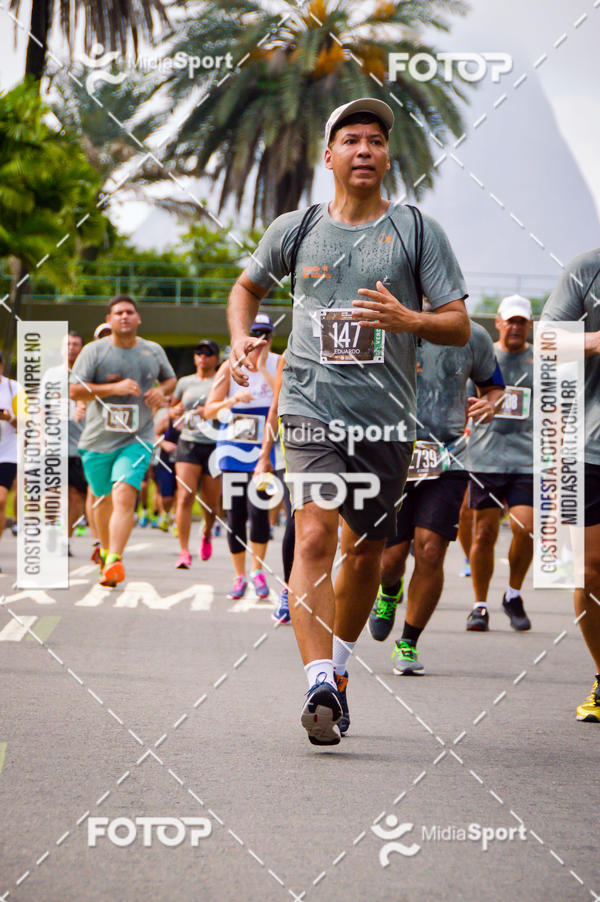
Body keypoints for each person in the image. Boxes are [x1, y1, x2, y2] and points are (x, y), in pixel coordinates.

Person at [227, 97, 470, 745]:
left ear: (387, 159)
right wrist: (239, 339)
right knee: (312, 539)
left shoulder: (418, 232)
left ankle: (338, 672)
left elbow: (458, 324)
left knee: (364, 553)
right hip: (309, 409)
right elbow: (246, 286)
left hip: (386, 423)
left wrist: (410, 321)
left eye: (377, 142)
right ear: (329, 157)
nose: (365, 149)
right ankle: (315, 680)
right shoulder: (297, 229)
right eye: (352, 140)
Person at [368, 320, 504, 674]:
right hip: (393, 453)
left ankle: (409, 642)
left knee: (430, 548)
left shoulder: (473, 336)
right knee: (390, 559)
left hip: (449, 456)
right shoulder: (388, 328)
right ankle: (388, 592)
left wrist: (489, 404)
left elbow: (494, 388)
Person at [70, 295, 176, 586]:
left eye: (130, 312)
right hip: (96, 441)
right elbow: (74, 390)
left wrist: (160, 392)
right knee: (102, 499)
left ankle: (115, 560)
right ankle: (104, 551)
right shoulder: (94, 352)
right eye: (118, 313)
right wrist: (113, 387)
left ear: (138, 318)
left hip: (136, 438)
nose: (125, 316)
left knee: (124, 492)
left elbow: (170, 380)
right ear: (109, 319)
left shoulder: (152, 351)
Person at [541, 248, 600, 721]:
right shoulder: (587, 269)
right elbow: (547, 340)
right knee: (590, 571)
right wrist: (596, 340)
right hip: (591, 446)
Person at [465, 295, 534, 633]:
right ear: (499, 322)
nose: (516, 326)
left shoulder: (541, 361)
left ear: (530, 325)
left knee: (526, 527)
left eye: (522, 321)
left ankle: (513, 594)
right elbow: (461, 397)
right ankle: (479, 605)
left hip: (527, 460)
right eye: (511, 320)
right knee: (485, 533)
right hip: (485, 458)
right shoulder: (484, 355)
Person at [205, 315, 279, 599]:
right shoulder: (228, 367)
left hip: (263, 446)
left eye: (265, 335)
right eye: (254, 335)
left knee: (259, 510)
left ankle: (257, 571)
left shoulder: (277, 363)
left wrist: (263, 368)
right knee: (235, 514)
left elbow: (283, 398)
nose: (259, 341)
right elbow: (209, 410)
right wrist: (233, 400)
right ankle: (239, 576)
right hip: (234, 447)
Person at [171, 340, 222, 568]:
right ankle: (183, 551)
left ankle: (207, 530)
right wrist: (176, 415)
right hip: (188, 444)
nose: (203, 357)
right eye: (199, 353)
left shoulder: (221, 380)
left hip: (213, 444)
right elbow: (173, 408)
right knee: (184, 495)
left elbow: (230, 408)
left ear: (216, 358)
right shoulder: (185, 382)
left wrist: (210, 411)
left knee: (210, 503)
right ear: (194, 357)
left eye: (208, 354)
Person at [254, 352, 295, 624]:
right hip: (292, 454)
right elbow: (276, 405)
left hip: (345, 444)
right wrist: (264, 455)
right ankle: (290, 592)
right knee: (297, 521)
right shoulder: (290, 355)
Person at [0, 351, 19, 569]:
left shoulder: (14, 388)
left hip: (6, 453)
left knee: (1, 499)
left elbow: (25, 423)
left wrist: (9, 417)